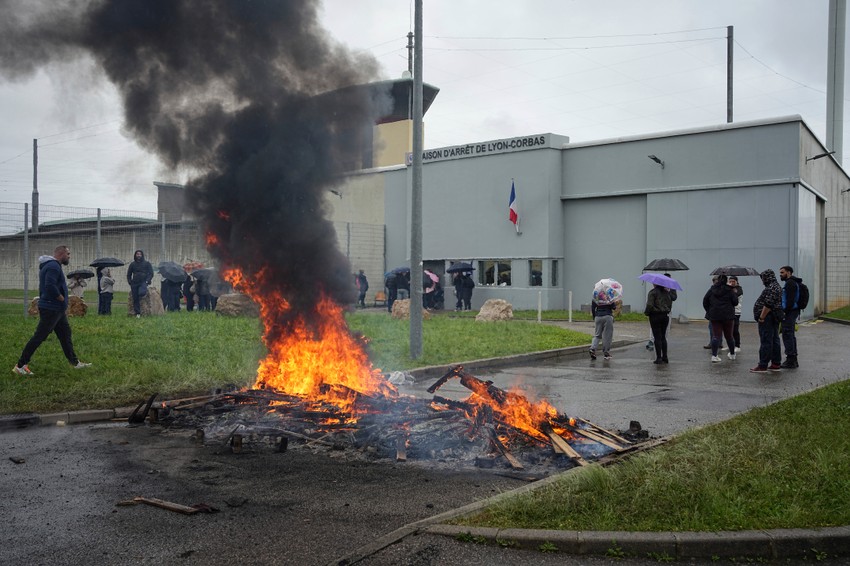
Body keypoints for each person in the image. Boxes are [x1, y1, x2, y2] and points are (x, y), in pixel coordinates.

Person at [13, 245, 92, 375]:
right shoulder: (53, 266)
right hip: (51, 308)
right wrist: (61, 298)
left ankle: (75, 362)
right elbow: (49, 285)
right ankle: (20, 365)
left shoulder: (52, 265)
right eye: (68, 253)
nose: (69, 256)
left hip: (57, 310)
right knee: (39, 336)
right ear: (61, 254)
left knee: (65, 335)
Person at [750, 268, 783, 373]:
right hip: (774, 317)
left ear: (767, 278)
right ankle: (775, 363)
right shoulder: (776, 286)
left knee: (766, 341)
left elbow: (768, 304)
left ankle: (763, 365)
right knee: (774, 340)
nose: (762, 281)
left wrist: (761, 317)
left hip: (767, 318)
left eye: (763, 278)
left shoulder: (771, 288)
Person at [702, 274, 738, 362]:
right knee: (729, 336)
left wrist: (710, 310)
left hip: (715, 316)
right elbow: (735, 302)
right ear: (726, 281)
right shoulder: (730, 290)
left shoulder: (712, 289)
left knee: (716, 336)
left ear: (718, 280)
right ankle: (732, 354)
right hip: (728, 316)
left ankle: (714, 356)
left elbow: (705, 301)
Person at [644, 283, 673, 364]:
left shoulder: (652, 292)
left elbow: (649, 305)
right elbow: (670, 304)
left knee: (657, 337)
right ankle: (665, 357)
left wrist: (647, 313)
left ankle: (659, 358)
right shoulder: (667, 293)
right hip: (665, 316)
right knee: (663, 337)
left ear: (655, 284)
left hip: (655, 316)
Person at [779, 265, 801, 368]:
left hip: (790, 312)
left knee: (787, 334)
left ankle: (791, 360)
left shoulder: (790, 283)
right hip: (792, 311)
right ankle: (793, 359)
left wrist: (785, 312)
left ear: (789, 272)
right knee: (790, 335)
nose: (781, 275)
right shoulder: (792, 282)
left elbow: (790, 301)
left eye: (782, 273)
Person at [126, 249, 153, 318]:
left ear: (142, 255)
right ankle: (137, 313)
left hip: (143, 282)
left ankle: (144, 307)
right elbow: (129, 274)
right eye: (137, 254)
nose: (139, 255)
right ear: (135, 255)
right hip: (134, 283)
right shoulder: (132, 264)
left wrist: (147, 281)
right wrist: (130, 282)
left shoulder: (147, 263)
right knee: (135, 298)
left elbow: (151, 273)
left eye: (140, 254)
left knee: (141, 293)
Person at [728, 276, 743, 352]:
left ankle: (737, 345)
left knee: (735, 329)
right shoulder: (729, 289)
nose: (731, 282)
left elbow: (735, 296)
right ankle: (731, 344)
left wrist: (730, 289)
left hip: (736, 312)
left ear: (737, 282)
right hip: (729, 311)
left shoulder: (739, 289)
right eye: (730, 281)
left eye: (733, 281)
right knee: (729, 329)